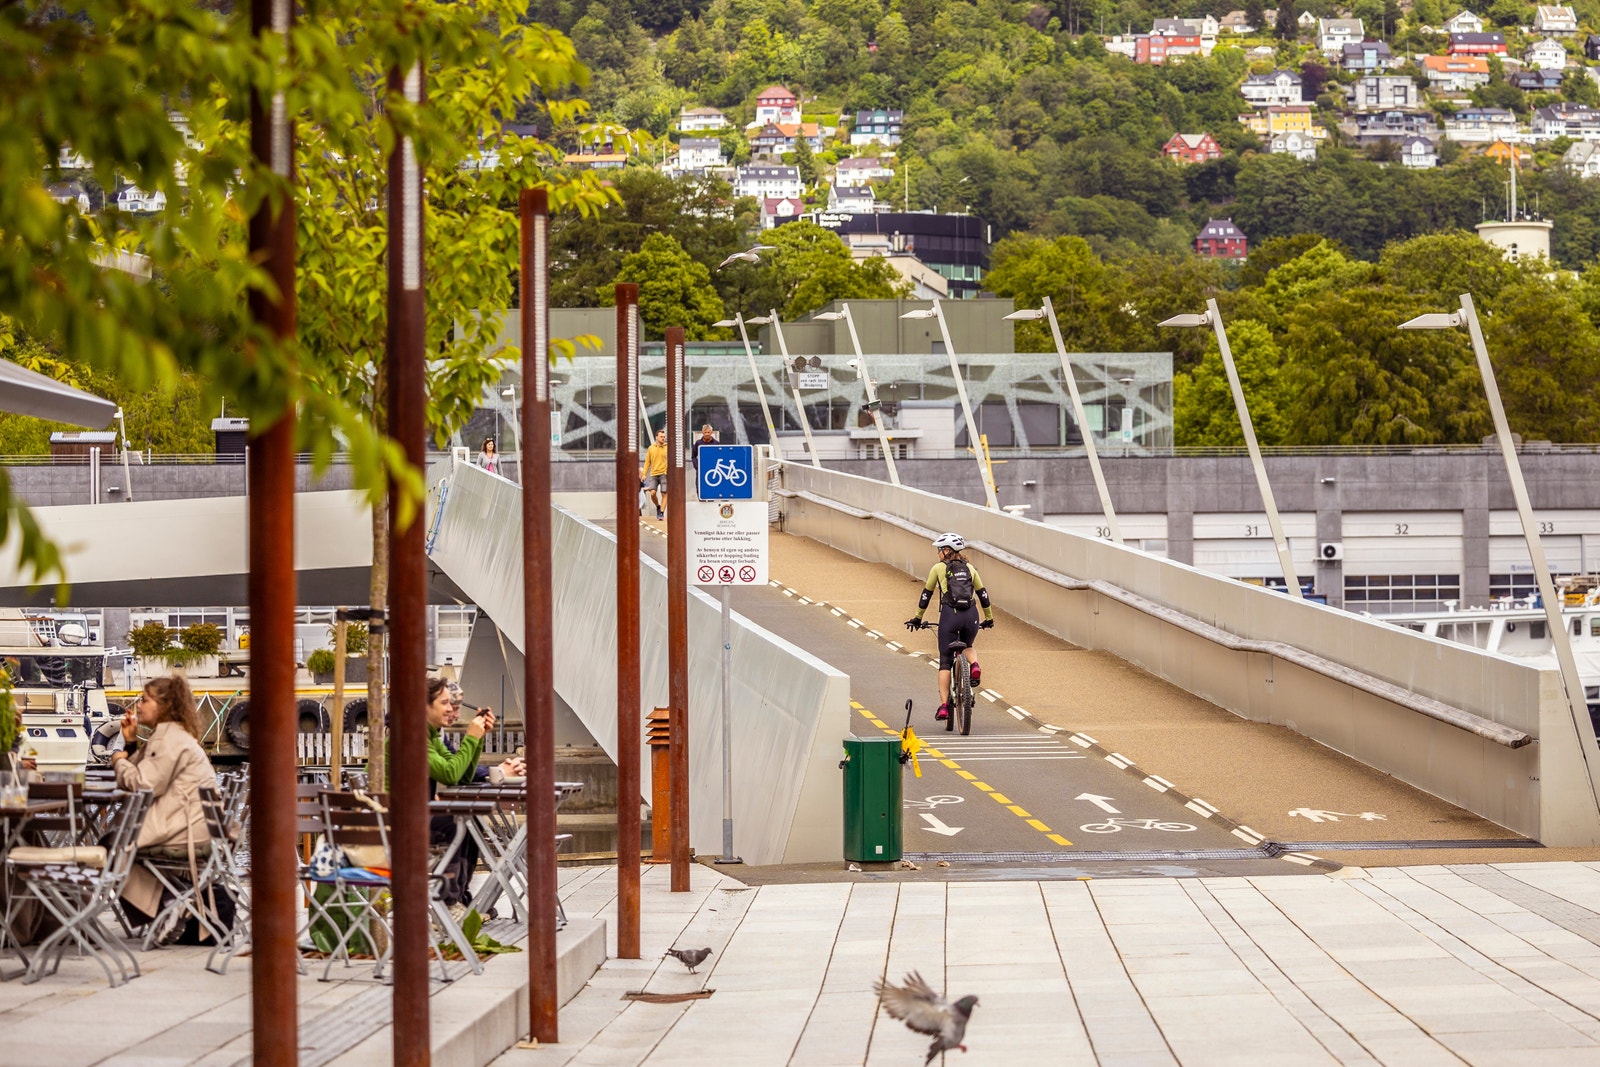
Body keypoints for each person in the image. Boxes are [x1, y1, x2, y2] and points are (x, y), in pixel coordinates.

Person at [111, 674, 219, 933]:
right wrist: (130, 743)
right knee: (115, 844)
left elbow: (144, 784)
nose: (139, 705)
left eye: (145, 700)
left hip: (184, 830)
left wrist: (117, 759)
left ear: (164, 705)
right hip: (195, 826)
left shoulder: (168, 738)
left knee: (110, 850)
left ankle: (168, 906)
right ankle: (168, 905)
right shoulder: (173, 734)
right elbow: (147, 774)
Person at [904, 533, 995, 722]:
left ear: (947, 551)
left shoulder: (938, 568)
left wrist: (917, 618)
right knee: (967, 645)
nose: (938, 553)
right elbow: (983, 594)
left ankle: (944, 706)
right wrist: (989, 618)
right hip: (971, 616)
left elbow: (926, 595)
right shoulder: (970, 568)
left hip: (949, 616)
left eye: (940, 549)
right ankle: (974, 666)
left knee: (945, 661)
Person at [422, 676, 494, 908]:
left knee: (469, 820)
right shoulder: (414, 736)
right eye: (444, 703)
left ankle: (459, 896)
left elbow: (460, 774)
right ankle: (449, 903)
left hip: (411, 816)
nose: (451, 709)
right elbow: (451, 774)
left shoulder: (431, 737)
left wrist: (478, 738)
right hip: (394, 823)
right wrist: (471, 737)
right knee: (456, 822)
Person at [442, 680, 525, 784]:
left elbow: (461, 770)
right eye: (453, 708)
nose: (457, 715)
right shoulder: (427, 736)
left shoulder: (438, 734)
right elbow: (454, 773)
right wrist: (472, 737)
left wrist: (478, 735)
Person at [640, 428, 668, 520]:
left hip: (664, 473)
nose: (663, 438)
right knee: (652, 493)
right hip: (654, 474)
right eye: (661, 437)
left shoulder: (667, 447)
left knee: (664, 493)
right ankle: (658, 506)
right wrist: (644, 474)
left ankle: (661, 513)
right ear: (656, 437)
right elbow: (647, 462)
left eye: (664, 437)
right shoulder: (651, 448)